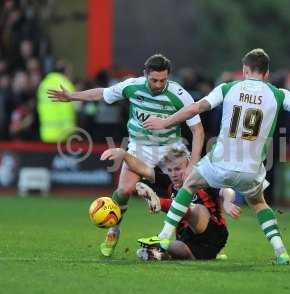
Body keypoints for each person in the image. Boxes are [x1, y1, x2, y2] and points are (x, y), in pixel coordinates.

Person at [138, 48, 290, 265]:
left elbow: (195, 109)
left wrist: (165, 121)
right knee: (259, 203)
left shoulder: (228, 88)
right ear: (266, 73)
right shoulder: (278, 94)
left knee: (189, 185)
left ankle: (165, 236)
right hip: (251, 169)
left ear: (245, 69)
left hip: (220, 162)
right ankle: (281, 252)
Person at [47, 54, 205, 257]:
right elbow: (102, 94)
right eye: (154, 80)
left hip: (170, 150)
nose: (158, 84)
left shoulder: (180, 95)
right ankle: (113, 231)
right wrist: (72, 96)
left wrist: (192, 163)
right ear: (145, 74)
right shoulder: (132, 86)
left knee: (189, 194)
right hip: (139, 148)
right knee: (123, 191)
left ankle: (203, 244)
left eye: (163, 80)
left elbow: (198, 131)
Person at [101, 146, 239, 260]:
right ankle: (159, 254)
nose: (173, 174)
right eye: (170, 170)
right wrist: (124, 155)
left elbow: (226, 190)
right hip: (189, 241)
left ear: (189, 165)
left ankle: (160, 203)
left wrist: (227, 202)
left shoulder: (201, 178)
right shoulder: (169, 183)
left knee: (195, 208)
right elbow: (142, 169)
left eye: (178, 169)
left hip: (213, 234)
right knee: (168, 247)